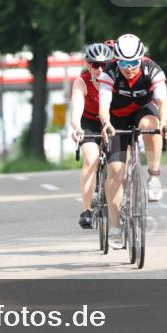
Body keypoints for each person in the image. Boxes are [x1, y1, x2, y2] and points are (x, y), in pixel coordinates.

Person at [98, 34, 167, 249]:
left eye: (133, 62)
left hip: (143, 111)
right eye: (123, 62)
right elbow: (104, 106)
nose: (129, 67)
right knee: (116, 172)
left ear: (141, 58)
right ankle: (115, 227)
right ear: (116, 60)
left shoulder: (153, 69)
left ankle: (154, 177)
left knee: (152, 124)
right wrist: (106, 124)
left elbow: (162, 101)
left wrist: (165, 122)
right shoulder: (109, 72)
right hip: (117, 117)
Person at [69, 42, 113, 229]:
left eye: (105, 65)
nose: (100, 69)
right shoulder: (82, 81)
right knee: (91, 159)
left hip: (110, 121)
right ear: (88, 64)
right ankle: (86, 210)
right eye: (96, 65)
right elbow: (76, 110)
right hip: (89, 123)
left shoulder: (114, 79)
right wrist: (76, 127)